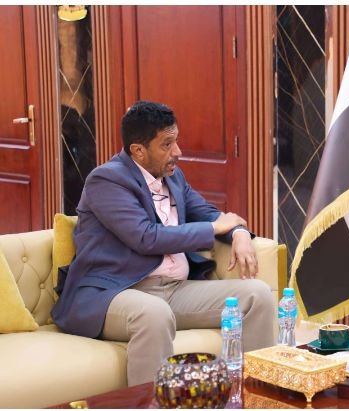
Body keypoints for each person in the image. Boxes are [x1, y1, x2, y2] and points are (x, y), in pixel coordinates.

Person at [52, 101, 275, 385]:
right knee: (153, 314)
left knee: (257, 296)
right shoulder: (106, 180)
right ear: (138, 150)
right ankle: (152, 403)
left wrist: (239, 233)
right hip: (114, 292)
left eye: (176, 141)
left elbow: (209, 213)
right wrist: (213, 228)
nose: (177, 152)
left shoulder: (173, 177)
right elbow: (145, 237)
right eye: (167, 145)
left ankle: (253, 394)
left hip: (174, 290)